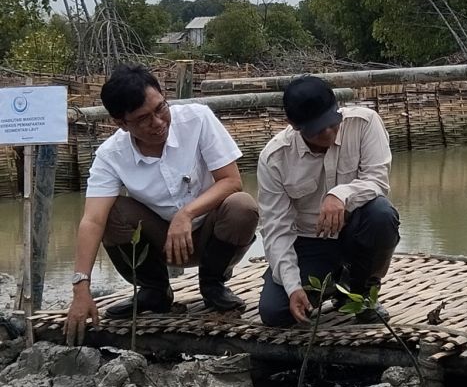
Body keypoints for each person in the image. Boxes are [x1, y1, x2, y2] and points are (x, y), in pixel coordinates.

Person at [63, 65, 259, 343]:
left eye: (160, 108)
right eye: (143, 118)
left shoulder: (198, 118)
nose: (157, 122)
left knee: (243, 206)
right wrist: (81, 287)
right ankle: (154, 290)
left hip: (212, 234)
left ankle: (213, 284)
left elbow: (231, 181)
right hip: (161, 243)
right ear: (121, 123)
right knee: (111, 213)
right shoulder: (110, 155)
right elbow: (91, 221)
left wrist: (186, 214)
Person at [257, 76, 400, 327]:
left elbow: (378, 181)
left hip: (356, 232)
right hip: (310, 242)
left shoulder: (365, 124)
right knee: (276, 313)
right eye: (316, 129)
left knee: (381, 214)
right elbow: (276, 230)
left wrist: (340, 195)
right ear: (293, 124)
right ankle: (335, 283)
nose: (327, 133)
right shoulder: (274, 158)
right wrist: (292, 287)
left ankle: (363, 291)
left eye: (331, 123)